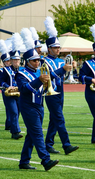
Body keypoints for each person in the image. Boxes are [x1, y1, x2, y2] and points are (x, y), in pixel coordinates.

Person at [16, 27, 59, 170]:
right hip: (28, 106)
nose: (37, 62)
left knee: (31, 135)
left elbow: (51, 78)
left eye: (38, 60)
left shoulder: (40, 71)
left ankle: (24, 162)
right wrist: (39, 80)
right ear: (27, 61)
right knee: (38, 133)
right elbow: (24, 89)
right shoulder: (21, 74)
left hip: (40, 105)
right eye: (34, 61)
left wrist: (63, 69)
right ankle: (45, 160)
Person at [43, 16, 79, 154]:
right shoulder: (43, 61)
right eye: (55, 47)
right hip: (50, 92)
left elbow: (63, 75)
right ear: (49, 48)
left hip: (60, 90)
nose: (58, 49)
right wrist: (63, 69)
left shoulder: (61, 61)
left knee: (54, 119)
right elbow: (47, 76)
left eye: (58, 47)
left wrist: (72, 68)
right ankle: (66, 144)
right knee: (59, 118)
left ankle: (49, 143)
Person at [0, 33, 23, 140]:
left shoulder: (23, 70)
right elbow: (1, 81)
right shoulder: (5, 70)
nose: (16, 62)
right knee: (13, 111)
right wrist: (8, 86)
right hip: (9, 94)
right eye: (14, 60)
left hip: (19, 94)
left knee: (17, 112)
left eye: (18, 60)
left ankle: (14, 131)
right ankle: (16, 132)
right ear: (11, 61)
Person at [0, 40, 11, 130]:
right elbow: (0, 81)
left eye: (10, 60)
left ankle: (10, 124)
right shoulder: (1, 70)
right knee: (9, 108)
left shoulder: (14, 69)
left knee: (17, 109)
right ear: (4, 62)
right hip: (6, 90)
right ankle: (9, 125)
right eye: (7, 61)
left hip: (15, 90)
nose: (9, 62)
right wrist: (7, 86)